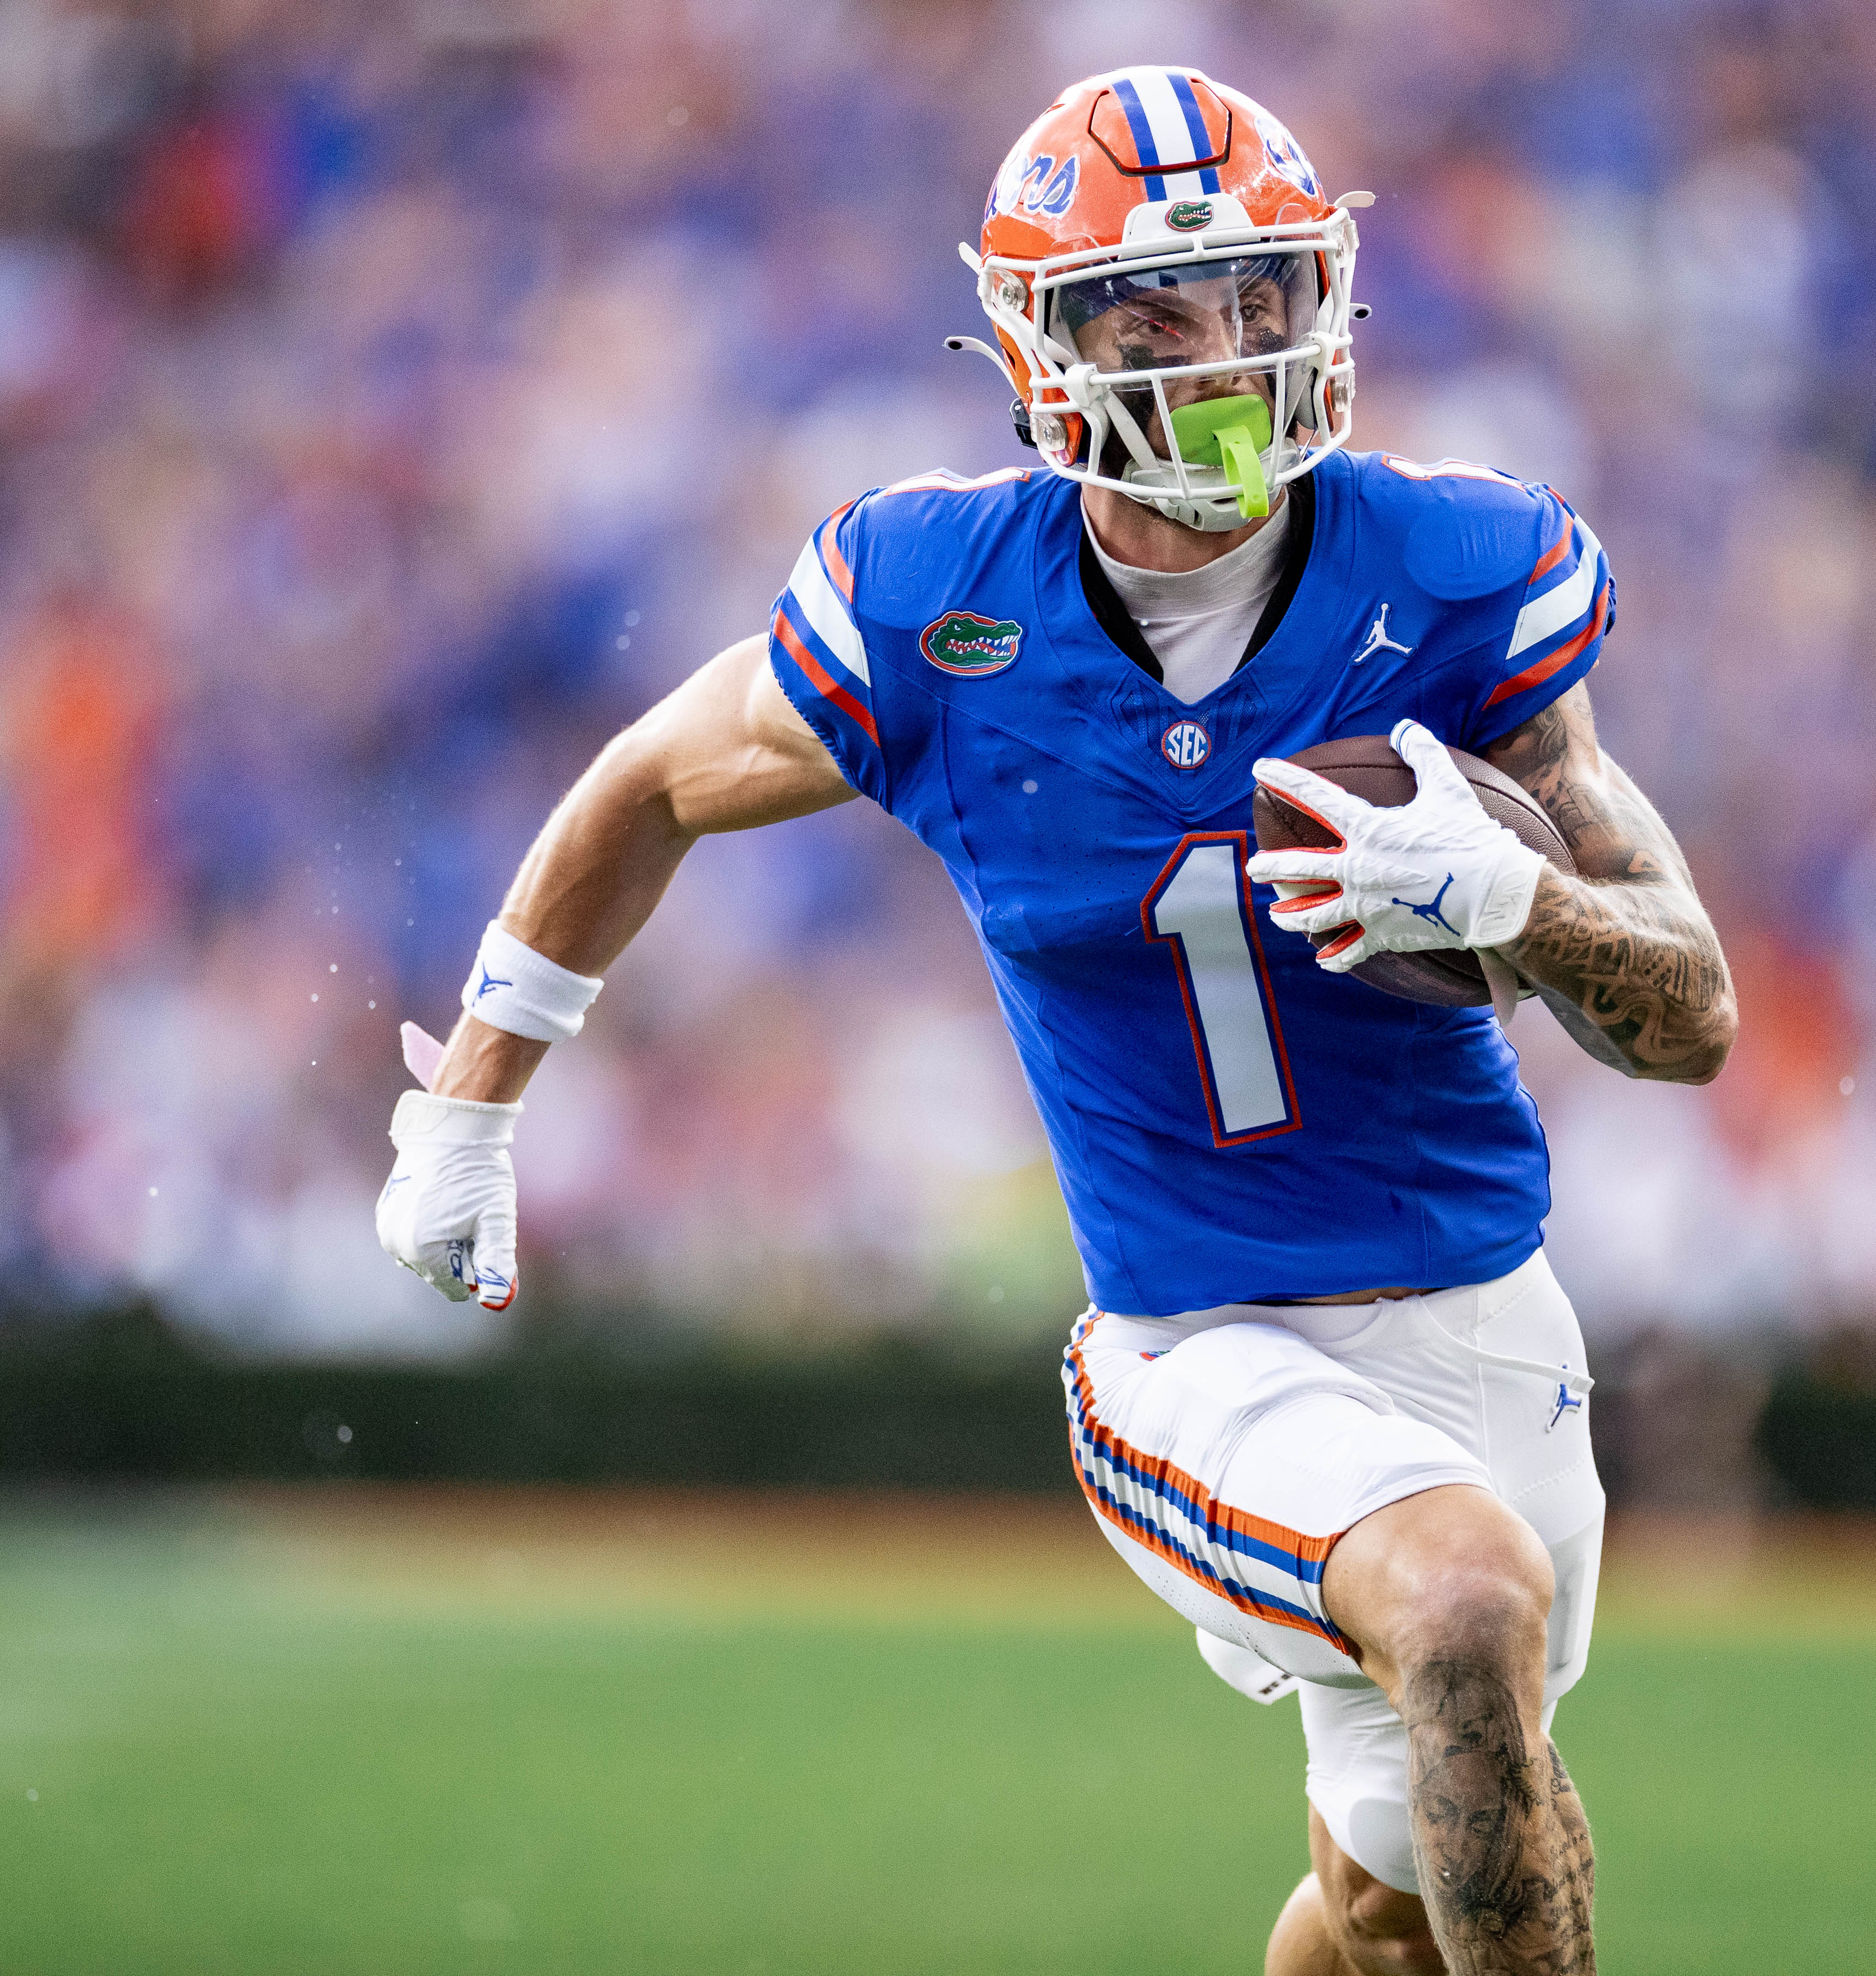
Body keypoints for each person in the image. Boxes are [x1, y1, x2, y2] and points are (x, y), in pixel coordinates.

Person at [376, 67, 1734, 1976]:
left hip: (1491, 1322)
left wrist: (1522, 904)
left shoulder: (1447, 571)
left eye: (1263, 301)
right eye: (1162, 316)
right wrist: (475, 1108)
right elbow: (651, 782)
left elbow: (1694, 1022)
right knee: (1463, 1611)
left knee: (1387, 1912)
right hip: (1199, 1340)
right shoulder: (941, 606)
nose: (1233, 355)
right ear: (1044, 350)